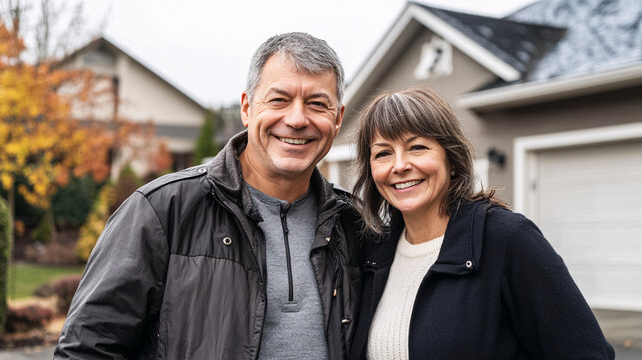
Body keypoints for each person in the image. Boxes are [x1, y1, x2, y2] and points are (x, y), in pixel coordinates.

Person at [54, 32, 363, 360]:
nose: (297, 119)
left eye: (316, 104)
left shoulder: (353, 224)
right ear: (247, 108)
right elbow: (87, 350)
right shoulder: (162, 211)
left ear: (338, 118)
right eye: (279, 100)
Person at [349, 87, 615, 359]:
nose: (400, 165)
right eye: (383, 153)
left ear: (450, 158)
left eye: (417, 147)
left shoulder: (507, 239)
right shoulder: (373, 253)